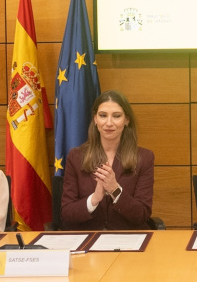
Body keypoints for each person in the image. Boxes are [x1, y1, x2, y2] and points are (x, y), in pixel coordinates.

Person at [61, 90, 154, 230]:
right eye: (103, 115)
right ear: (95, 119)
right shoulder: (76, 157)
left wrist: (115, 190)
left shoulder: (144, 158)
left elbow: (142, 215)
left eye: (116, 116)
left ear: (126, 120)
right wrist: (94, 199)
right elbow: (67, 214)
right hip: (88, 237)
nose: (109, 123)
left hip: (127, 237)